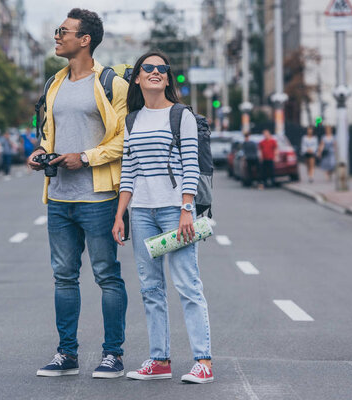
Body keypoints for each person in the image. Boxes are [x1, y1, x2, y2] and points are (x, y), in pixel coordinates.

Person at [26, 8, 128, 379]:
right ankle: (66, 354)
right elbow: (48, 134)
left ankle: (112, 355)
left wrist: (85, 157)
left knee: (107, 276)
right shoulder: (54, 83)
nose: (57, 36)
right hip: (59, 198)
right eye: (57, 30)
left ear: (85, 40)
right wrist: (41, 153)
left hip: (98, 198)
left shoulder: (112, 84)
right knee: (64, 277)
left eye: (63, 31)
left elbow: (123, 140)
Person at [112, 51, 214, 384]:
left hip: (174, 211)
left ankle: (203, 361)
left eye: (162, 69)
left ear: (167, 79)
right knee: (150, 288)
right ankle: (160, 360)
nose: (156, 72)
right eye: (148, 68)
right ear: (137, 78)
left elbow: (191, 165)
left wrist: (187, 209)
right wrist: (120, 215)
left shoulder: (180, 115)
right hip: (141, 212)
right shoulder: (132, 120)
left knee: (187, 283)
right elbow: (129, 170)